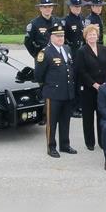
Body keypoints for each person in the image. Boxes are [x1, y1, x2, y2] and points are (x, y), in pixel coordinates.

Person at [34, 24, 78, 158]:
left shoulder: (67, 48)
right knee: (52, 122)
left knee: (65, 121)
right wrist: (49, 85)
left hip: (67, 92)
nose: (61, 38)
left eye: (62, 35)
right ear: (51, 37)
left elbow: (70, 69)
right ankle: (51, 146)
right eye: (57, 36)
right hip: (53, 93)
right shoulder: (45, 52)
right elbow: (38, 75)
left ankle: (65, 145)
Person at [75, 24, 106, 151]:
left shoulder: (104, 49)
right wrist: (94, 84)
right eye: (89, 34)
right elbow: (81, 71)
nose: (92, 36)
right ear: (86, 36)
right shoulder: (82, 51)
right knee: (88, 116)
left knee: (102, 115)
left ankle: (103, 141)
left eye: (94, 34)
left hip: (104, 88)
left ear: (97, 36)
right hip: (88, 89)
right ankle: (90, 142)